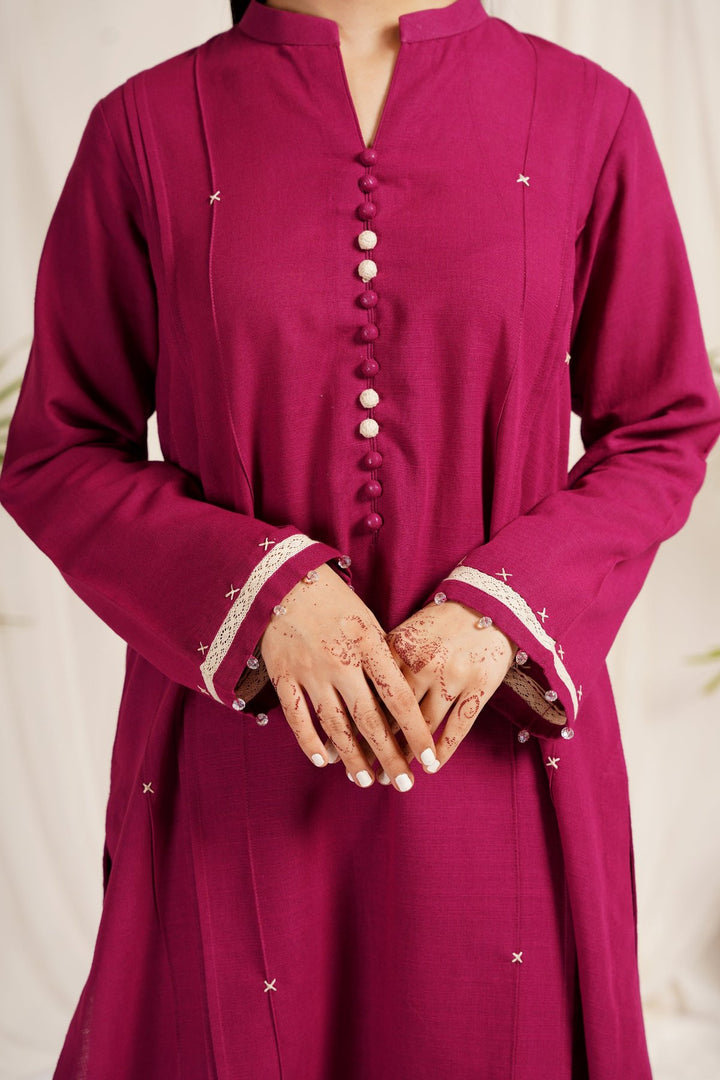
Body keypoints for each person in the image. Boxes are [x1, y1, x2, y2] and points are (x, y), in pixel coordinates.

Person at [1, 0, 719, 1076]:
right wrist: (267, 594)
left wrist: (502, 610)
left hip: (491, 735)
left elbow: (663, 423)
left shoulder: (584, 115)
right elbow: (59, 450)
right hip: (238, 747)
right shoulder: (148, 125)